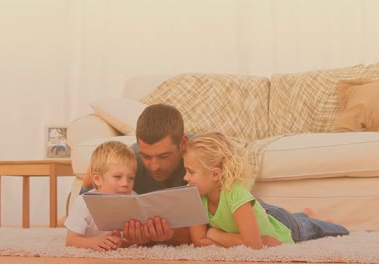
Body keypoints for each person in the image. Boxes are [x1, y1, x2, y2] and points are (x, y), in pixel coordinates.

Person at [183, 132, 350, 249]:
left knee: (311, 228)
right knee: (296, 218)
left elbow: (253, 247)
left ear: (215, 174)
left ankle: (321, 221)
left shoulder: (236, 194)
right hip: (267, 217)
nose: (185, 178)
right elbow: (199, 241)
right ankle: (304, 214)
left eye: (190, 172)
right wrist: (215, 235)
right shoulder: (195, 197)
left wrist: (215, 235)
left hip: (285, 229)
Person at [80, 103, 192, 246]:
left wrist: (171, 235)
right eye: (146, 156)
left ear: (182, 143)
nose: (154, 166)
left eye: (164, 156)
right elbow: (83, 212)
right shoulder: (130, 161)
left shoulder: (201, 157)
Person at [65, 141, 137, 251]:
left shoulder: (134, 200)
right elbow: (71, 240)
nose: (125, 184)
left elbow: (135, 241)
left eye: (131, 178)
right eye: (118, 177)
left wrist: (122, 243)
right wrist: (92, 242)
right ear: (97, 179)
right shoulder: (84, 202)